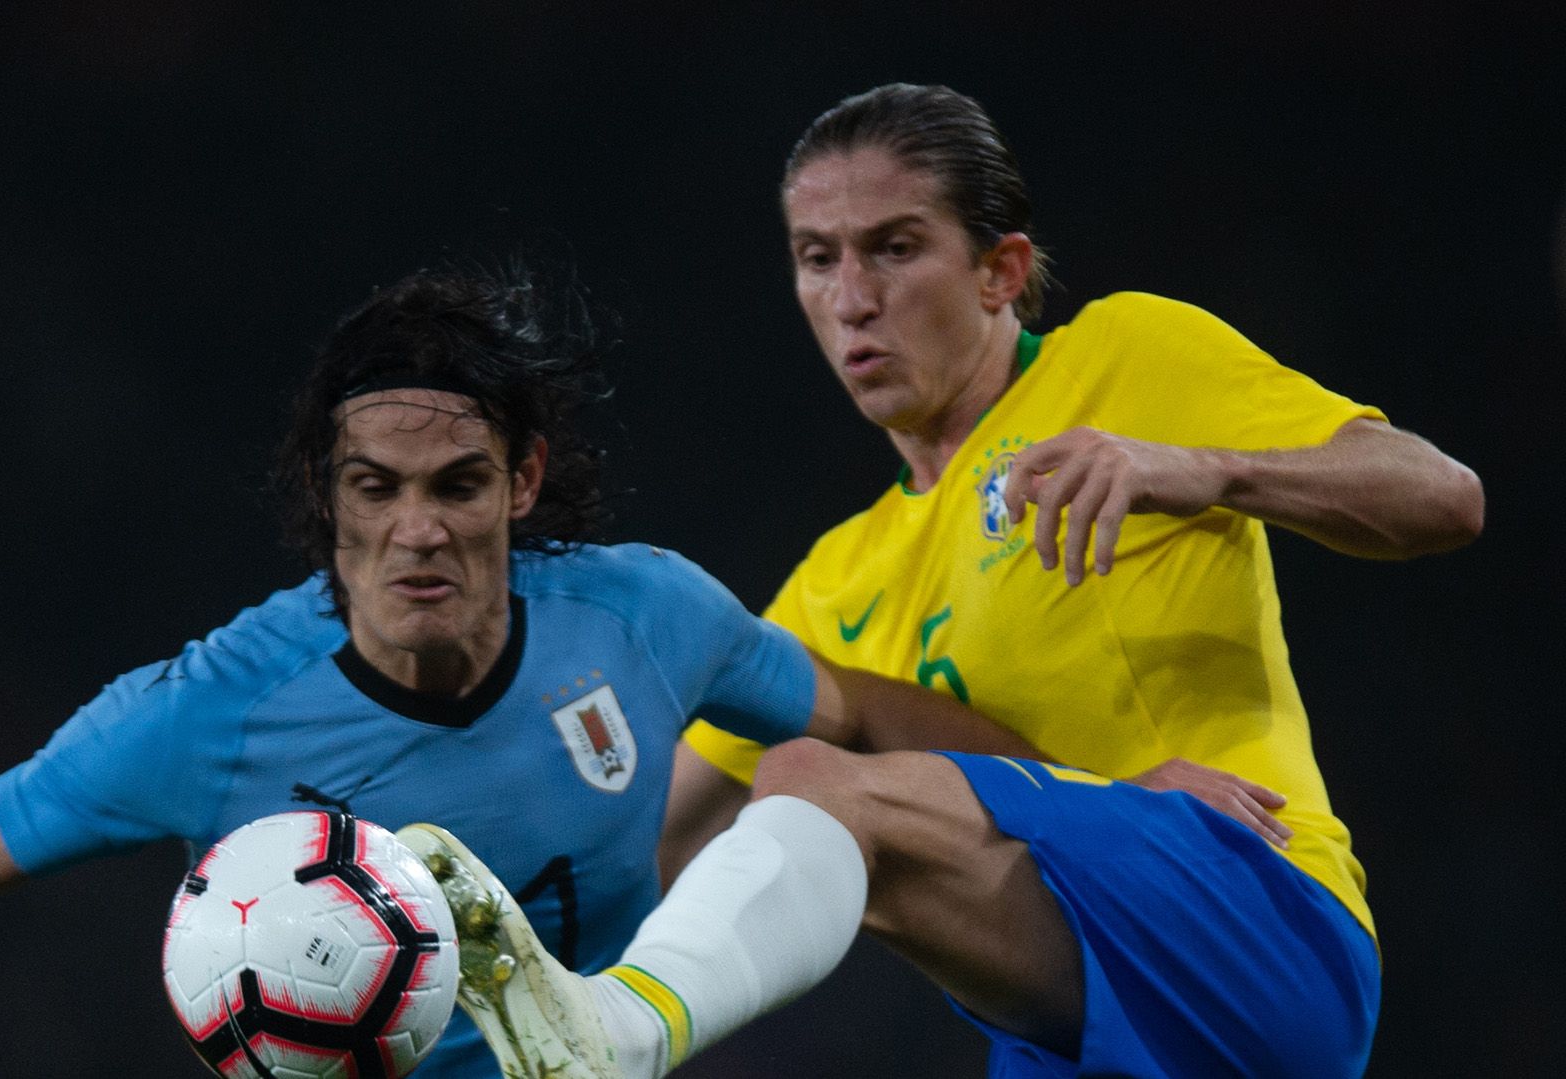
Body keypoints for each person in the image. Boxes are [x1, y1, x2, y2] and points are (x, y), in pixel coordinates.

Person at [0, 263, 1123, 1079]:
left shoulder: (646, 618)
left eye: (459, 482)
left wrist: (1120, 811)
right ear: (328, 495)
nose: (419, 527)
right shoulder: (208, 711)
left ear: (523, 480)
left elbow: (866, 715)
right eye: (376, 487)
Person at [436, 84, 1485, 1079]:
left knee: (810, 772)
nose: (852, 300)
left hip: (1258, 910)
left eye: (895, 248)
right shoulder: (841, 576)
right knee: (788, 796)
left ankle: (624, 1036)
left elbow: (1443, 497)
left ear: (1000, 271)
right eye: (817, 258)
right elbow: (647, 834)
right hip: (1083, 1011)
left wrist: (1196, 467)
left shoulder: (1124, 356)